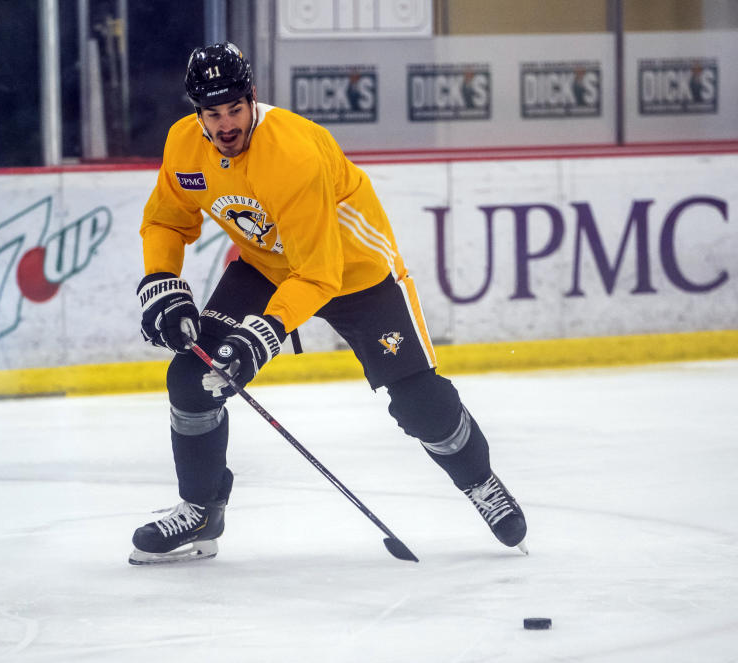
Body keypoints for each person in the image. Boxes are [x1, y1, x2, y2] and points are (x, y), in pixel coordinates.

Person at [129, 42, 527, 564]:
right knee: (189, 377)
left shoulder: (293, 154)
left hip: (356, 271)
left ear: (252, 100)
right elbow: (166, 219)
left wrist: (264, 334)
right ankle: (201, 511)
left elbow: (319, 273)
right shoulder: (185, 145)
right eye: (212, 113)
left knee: (420, 405)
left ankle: (480, 482)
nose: (225, 124)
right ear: (197, 113)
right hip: (267, 266)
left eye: (234, 110)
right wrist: (162, 280)